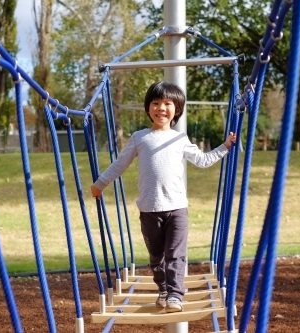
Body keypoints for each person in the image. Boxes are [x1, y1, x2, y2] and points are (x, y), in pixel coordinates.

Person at [90, 81, 237, 313]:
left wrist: (225, 146)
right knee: (157, 256)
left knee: (176, 254)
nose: (161, 108)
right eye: (156, 103)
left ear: (176, 109)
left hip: (177, 208)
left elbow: (203, 160)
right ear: (148, 108)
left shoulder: (180, 139)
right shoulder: (140, 138)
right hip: (149, 209)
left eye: (168, 103)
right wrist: (100, 184)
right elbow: (120, 164)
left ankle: (176, 295)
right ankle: (164, 289)